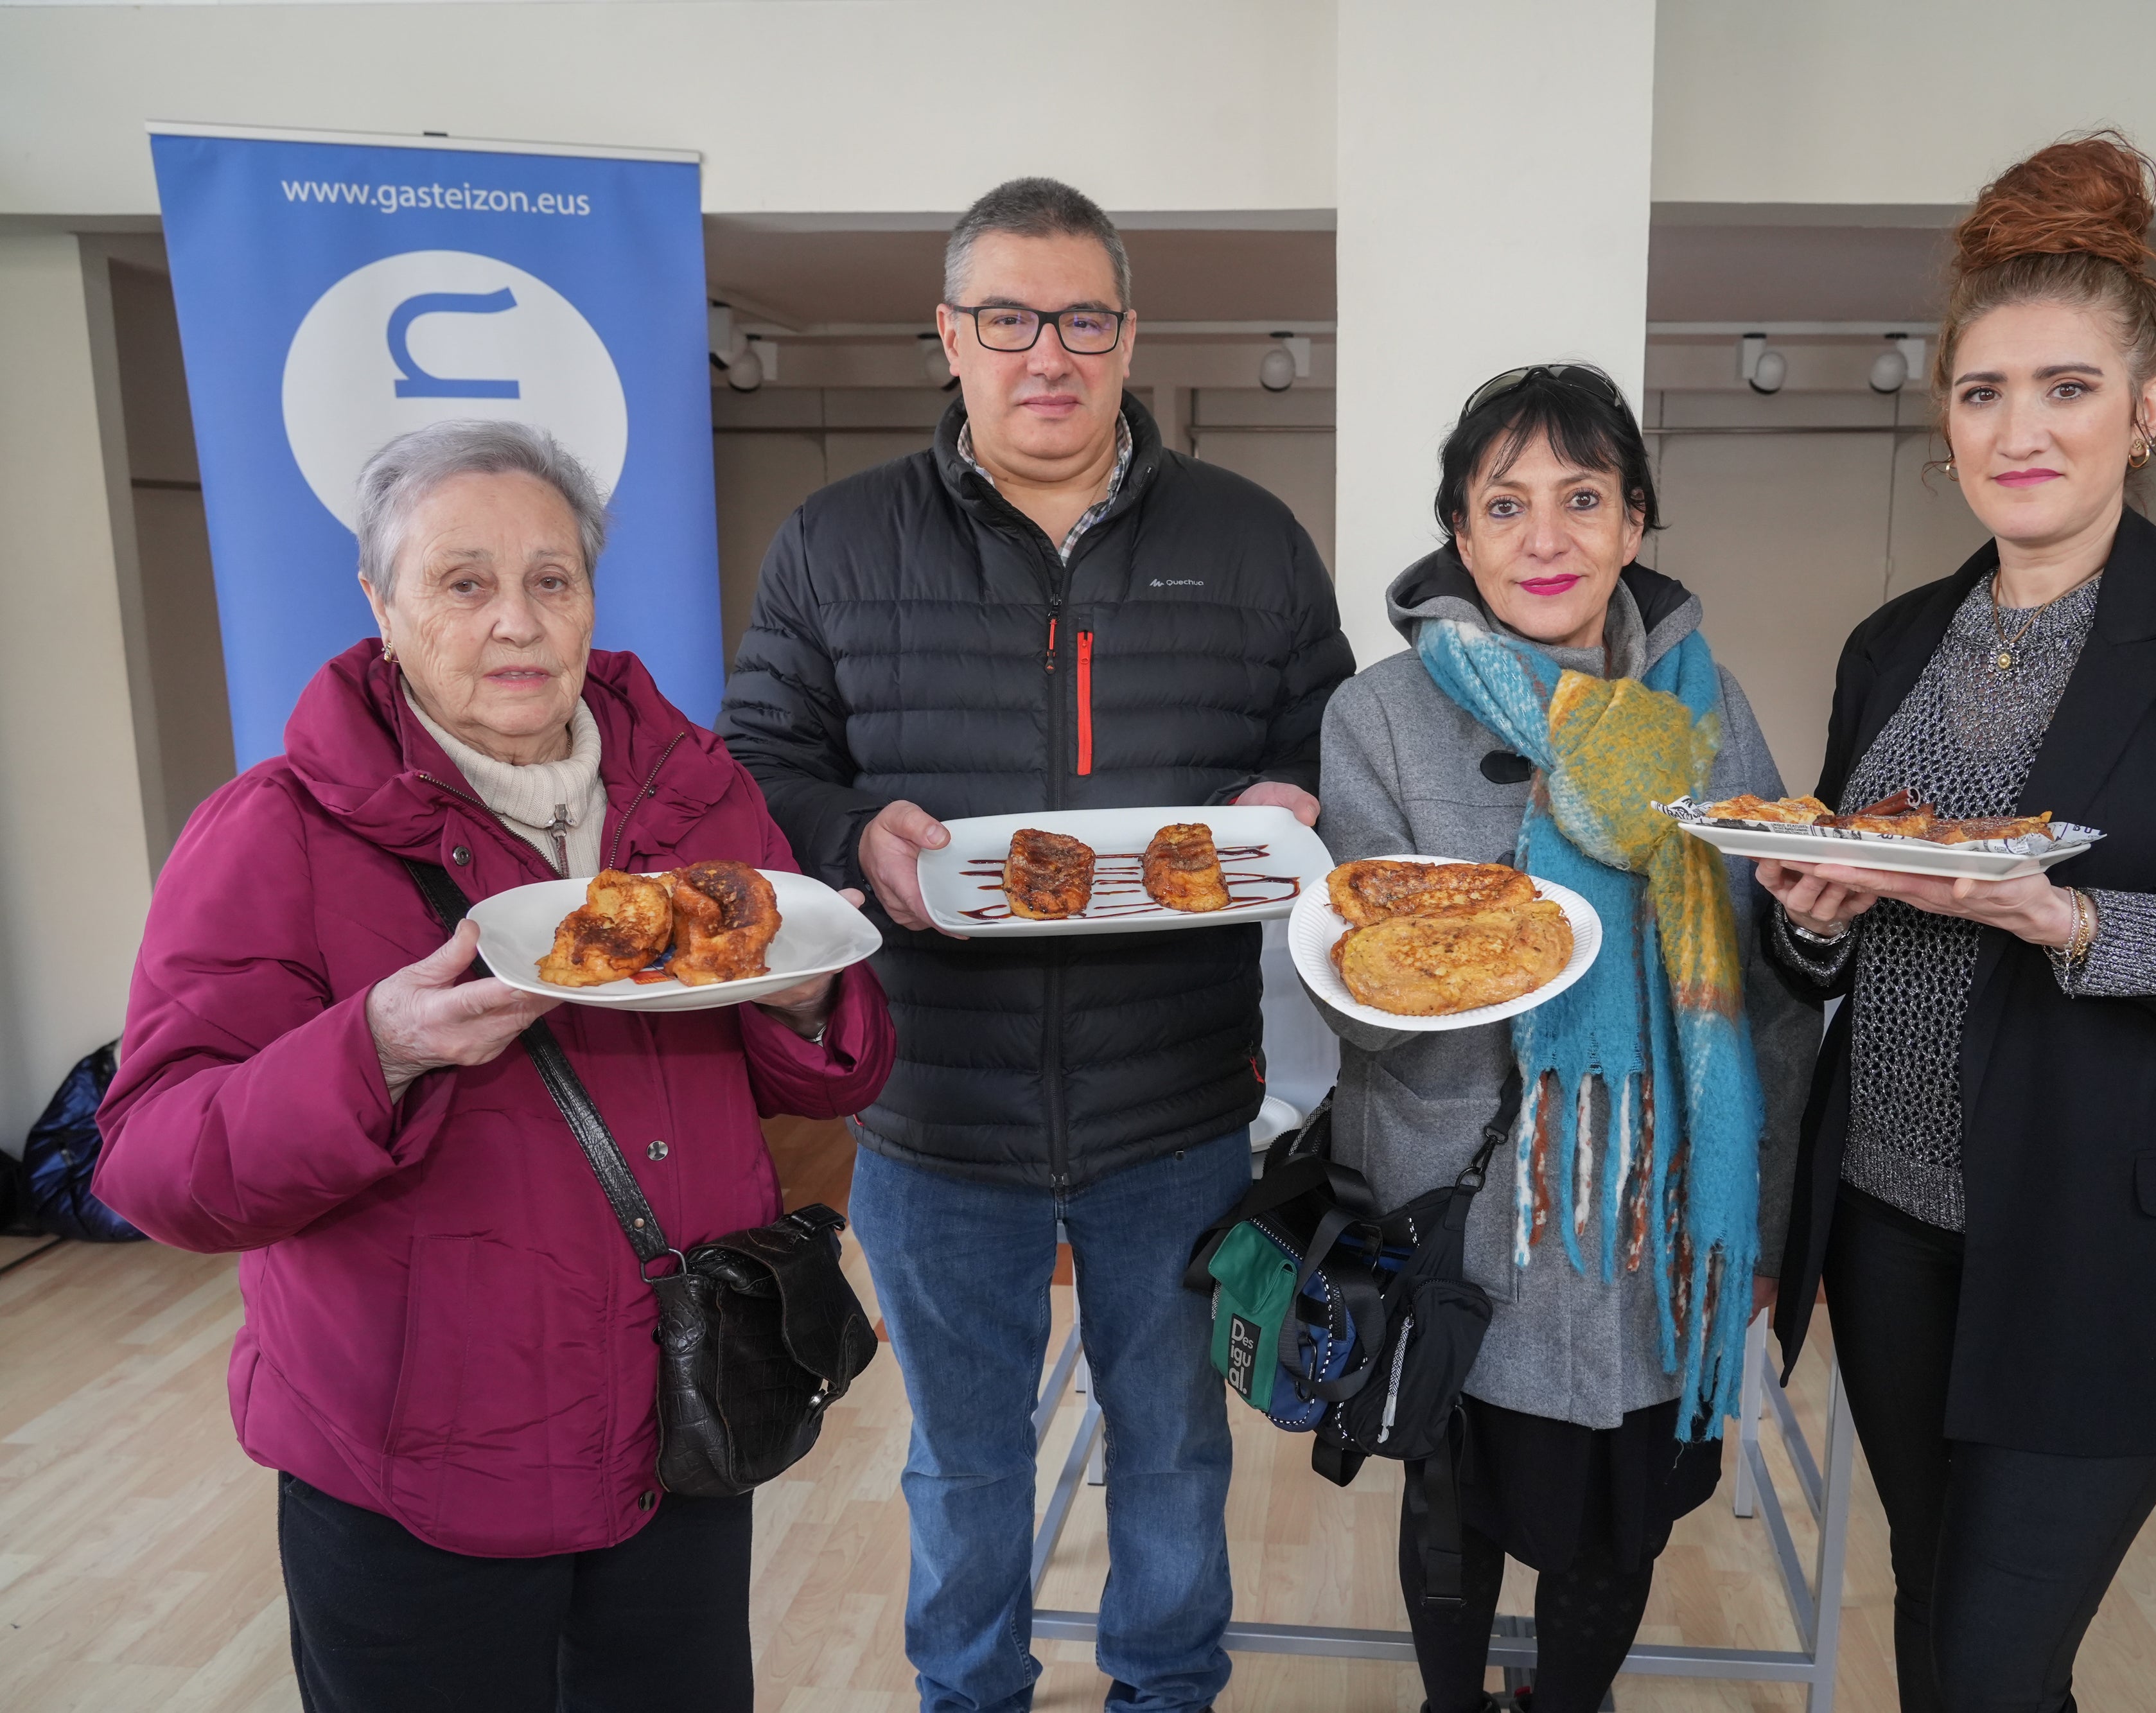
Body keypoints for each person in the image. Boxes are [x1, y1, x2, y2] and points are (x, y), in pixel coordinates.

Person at [94, 421, 896, 1713]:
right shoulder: (276, 834)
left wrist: (808, 999)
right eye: (464, 583)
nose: (516, 622)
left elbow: (812, 1081)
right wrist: (374, 1053)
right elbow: (153, 1160)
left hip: (680, 1415)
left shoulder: (697, 799)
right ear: (381, 600)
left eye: (551, 579)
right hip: (418, 1460)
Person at [1757, 134, 2156, 1712]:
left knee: (1985, 1658)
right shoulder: (1890, 640)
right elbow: (1838, 923)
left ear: (2145, 406)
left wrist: (2073, 919)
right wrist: (1816, 911)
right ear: (1946, 420)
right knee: (1941, 1615)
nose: (2018, 428)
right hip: (1891, 1222)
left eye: (2062, 386)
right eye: (1982, 392)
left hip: (2115, 1235)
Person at [718, 177, 1352, 1713]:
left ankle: (1163, 1687)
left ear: (1129, 335)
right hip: (932, 1113)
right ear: (950, 336)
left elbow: (1324, 731)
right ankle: (970, 1690)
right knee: (962, 1458)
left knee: (1176, 1445)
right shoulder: (833, 540)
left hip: (1180, 1107)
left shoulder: (1249, 538)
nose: (1044, 353)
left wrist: (1298, 790)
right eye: (1005, 318)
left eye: (1080, 318)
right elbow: (758, 757)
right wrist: (850, 830)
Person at [1316, 364, 1818, 1713]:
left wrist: (1757, 1216)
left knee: (1617, 1503)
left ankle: (1570, 1700)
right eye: (1505, 503)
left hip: (1653, 1198)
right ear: (1459, 535)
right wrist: (1465, 968)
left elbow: (1765, 978)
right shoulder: (1376, 714)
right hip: (1464, 1192)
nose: (1545, 537)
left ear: (1632, 522)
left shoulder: (1707, 713)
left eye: (1580, 497)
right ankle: (1447, 1701)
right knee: (1454, 1485)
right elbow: (1353, 975)